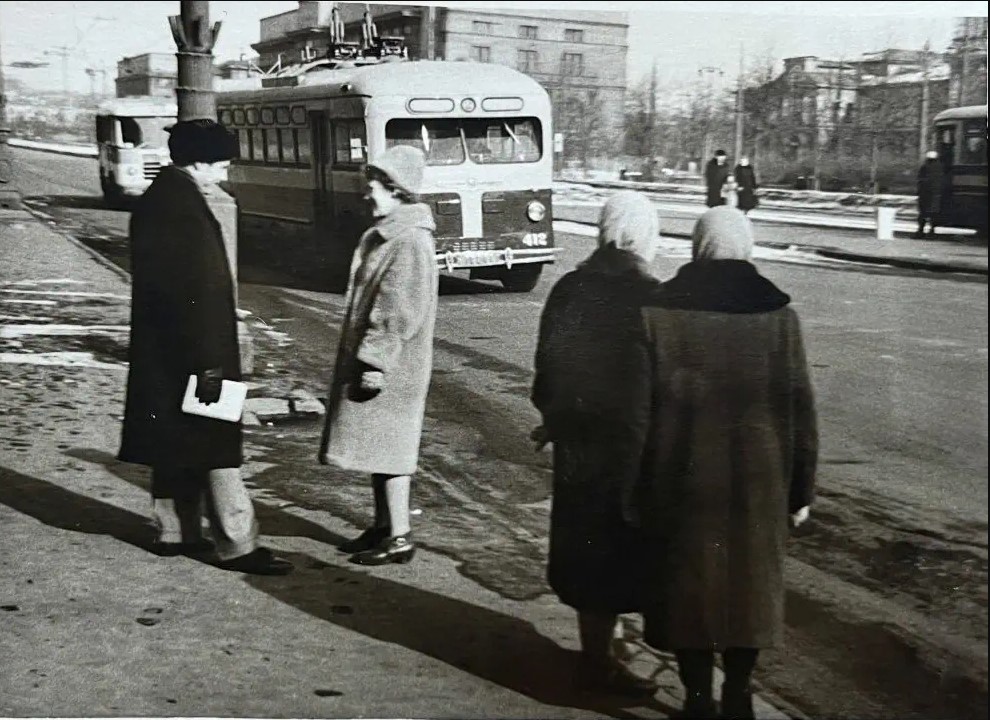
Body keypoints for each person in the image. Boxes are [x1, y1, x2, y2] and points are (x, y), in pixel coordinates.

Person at [640, 206, 818, 718]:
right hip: (758, 483)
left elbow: (641, 410)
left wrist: (638, 486)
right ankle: (738, 692)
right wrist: (800, 490)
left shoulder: (657, 314)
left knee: (687, 591)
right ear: (747, 246)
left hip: (680, 479)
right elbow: (799, 410)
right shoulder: (780, 318)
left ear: (698, 246)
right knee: (748, 590)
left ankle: (697, 696)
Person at [119, 119, 293, 576]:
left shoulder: (159, 199)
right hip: (200, 350)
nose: (224, 172)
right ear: (199, 161)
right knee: (217, 445)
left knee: (174, 439)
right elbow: (198, 291)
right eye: (221, 163)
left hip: (165, 350)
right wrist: (211, 361)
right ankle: (238, 544)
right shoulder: (187, 209)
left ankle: (175, 531)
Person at [531, 191, 663, 697]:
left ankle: (598, 653)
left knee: (590, 553)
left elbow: (548, 370)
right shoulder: (652, 296)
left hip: (580, 448)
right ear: (643, 236)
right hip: (635, 449)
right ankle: (608, 661)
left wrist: (556, 419)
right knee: (627, 551)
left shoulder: (570, 289)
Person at [319, 145, 438, 567]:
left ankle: (400, 536)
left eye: (373, 186)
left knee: (392, 450)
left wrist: (374, 362)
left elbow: (397, 310)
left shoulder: (408, 241)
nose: (366, 193)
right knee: (380, 447)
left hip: (393, 366)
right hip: (384, 362)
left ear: (396, 189)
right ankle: (383, 526)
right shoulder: (391, 235)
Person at [916, 150, 943, 239]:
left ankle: (920, 231)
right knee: (933, 214)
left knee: (923, 213)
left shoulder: (924, 167)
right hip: (936, 193)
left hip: (925, 193)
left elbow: (920, 180)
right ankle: (932, 231)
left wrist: (919, 191)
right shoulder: (940, 168)